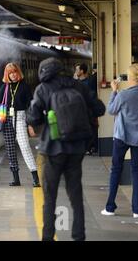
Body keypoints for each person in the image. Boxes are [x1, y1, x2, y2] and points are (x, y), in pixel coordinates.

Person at [26, 57, 105, 241]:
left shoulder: (43, 89)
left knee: (50, 196)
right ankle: (79, 236)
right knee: (75, 194)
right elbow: (100, 109)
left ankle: (47, 237)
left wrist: (48, 116)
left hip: (52, 148)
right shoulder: (78, 86)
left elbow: (33, 118)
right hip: (77, 148)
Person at [0, 62, 40, 187]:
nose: (13, 75)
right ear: (7, 74)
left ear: (18, 72)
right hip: (6, 118)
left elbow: (30, 106)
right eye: (10, 73)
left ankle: (35, 178)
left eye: (14, 72)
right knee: (10, 149)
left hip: (20, 117)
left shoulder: (24, 86)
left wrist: (30, 124)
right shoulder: (5, 87)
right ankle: (16, 179)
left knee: (24, 146)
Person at [101, 63, 138, 219]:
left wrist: (114, 92)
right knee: (136, 173)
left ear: (129, 78)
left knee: (116, 170)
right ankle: (136, 210)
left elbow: (111, 110)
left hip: (121, 137)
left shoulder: (123, 95)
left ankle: (110, 207)